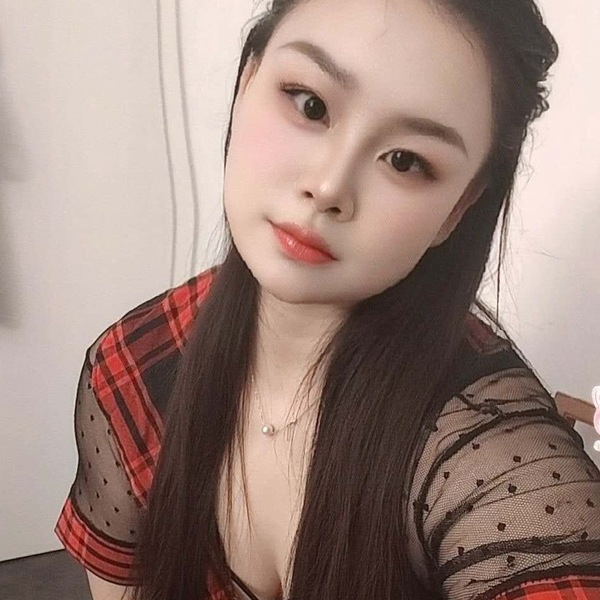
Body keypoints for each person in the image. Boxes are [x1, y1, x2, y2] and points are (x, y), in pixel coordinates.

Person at [55, 0, 600, 599]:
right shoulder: (137, 363)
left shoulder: (491, 462)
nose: (329, 185)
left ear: (459, 208)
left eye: (406, 161)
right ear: (246, 82)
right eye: (310, 105)